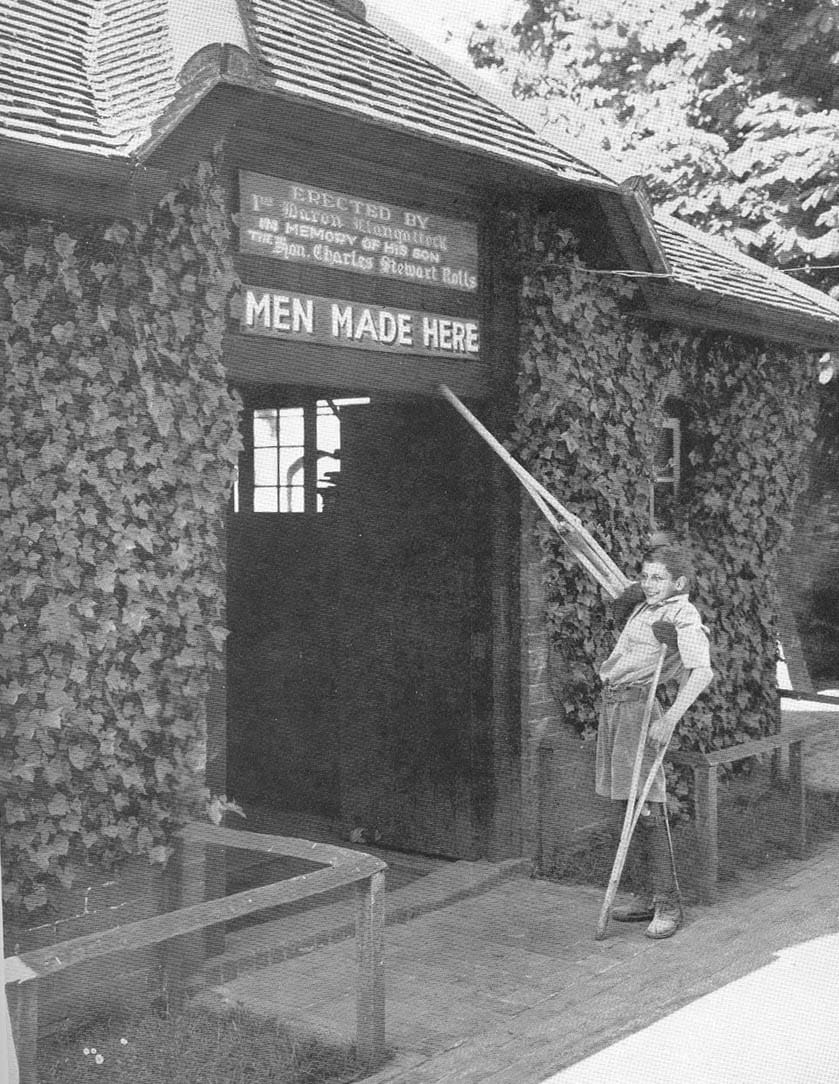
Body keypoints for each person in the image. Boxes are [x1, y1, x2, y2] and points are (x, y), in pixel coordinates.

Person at [596, 541, 714, 939]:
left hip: (639, 710)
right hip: (613, 707)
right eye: (645, 576)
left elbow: (702, 671)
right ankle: (646, 897)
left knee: (647, 806)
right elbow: (619, 586)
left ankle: (668, 903)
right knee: (625, 806)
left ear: (679, 582)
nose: (648, 583)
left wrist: (669, 721)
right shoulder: (643, 607)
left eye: (658, 577)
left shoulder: (683, 614)